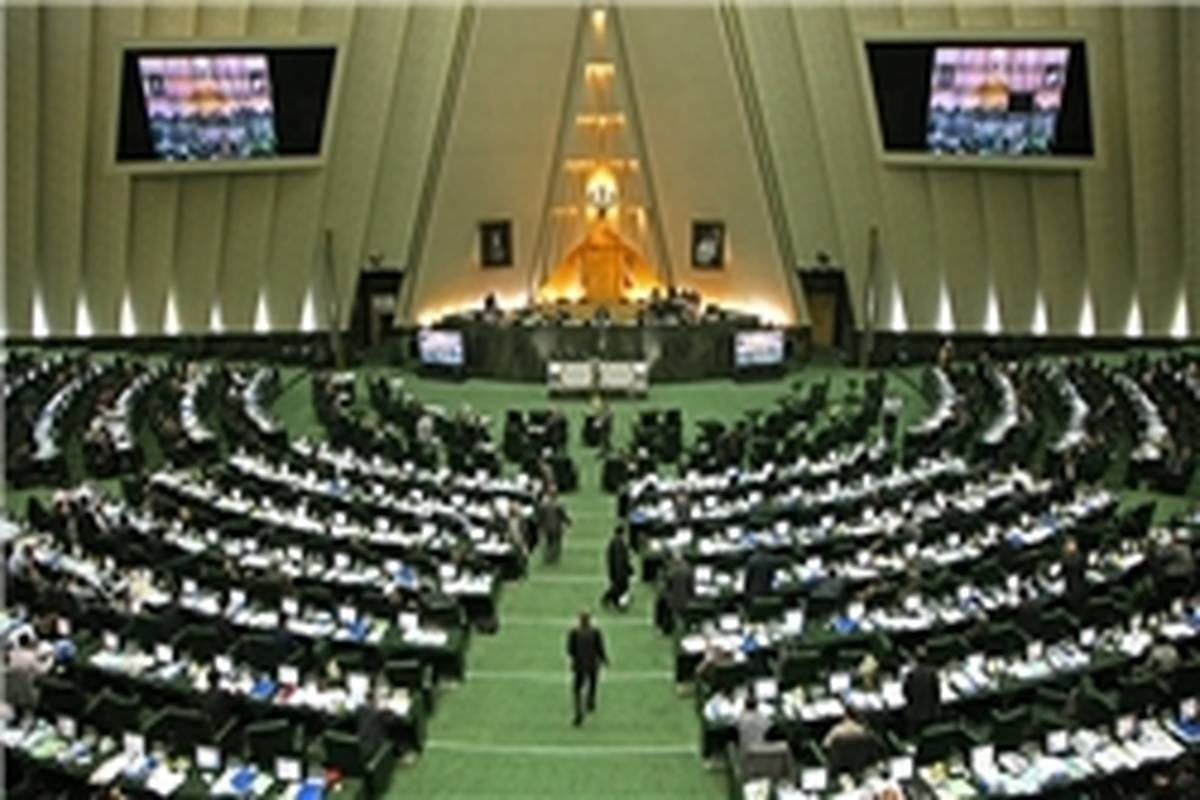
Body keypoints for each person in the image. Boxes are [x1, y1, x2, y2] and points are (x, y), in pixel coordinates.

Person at [566, 611, 609, 726]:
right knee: (592, 684)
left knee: (577, 690)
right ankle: (590, 701)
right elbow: (600, 648)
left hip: (579, 665)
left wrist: (574, 659)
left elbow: (570, 650)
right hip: (592, 664)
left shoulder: (574, 632)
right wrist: (604, 660)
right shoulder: (595, 632)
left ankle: (578, 712)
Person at [822, 709, 881, 774]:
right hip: (862, 765)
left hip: (841, 766)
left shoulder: (837, 730)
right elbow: (877, 744)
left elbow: (826, 746)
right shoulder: (864, 730)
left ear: (846, 717)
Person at [902, 645, 941, 736]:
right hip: (931, 712)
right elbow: (937, 692)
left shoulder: (911, 675)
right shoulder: (932, 673)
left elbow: (905, 692)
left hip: (915, 714)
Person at [601, 527, 632, 611]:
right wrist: (624, 570)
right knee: (619, 587)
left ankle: (615, 602)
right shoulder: (618, 543)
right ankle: (609, 600)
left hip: (618, 570)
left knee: (618, 587)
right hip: (619, 571)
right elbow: (620, 559)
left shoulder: (616, 542)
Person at [537, 489, 570, 566]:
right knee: (557, 544)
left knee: (549, 543)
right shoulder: (559, 505)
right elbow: (563, 516)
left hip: (547, 528)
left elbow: (540, 517)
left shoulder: (543, 505)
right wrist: (569, 523)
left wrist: (540, 526)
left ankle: (548, 559)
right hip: (557, 527)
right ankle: (554, 559)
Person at [1061, 536, 1087, 614]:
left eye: (1073, 544)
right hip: (1070, 583)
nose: (1072, 546)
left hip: (1078, 581)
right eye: (1070, 545)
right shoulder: (1065, 556)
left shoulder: (1079, 555)